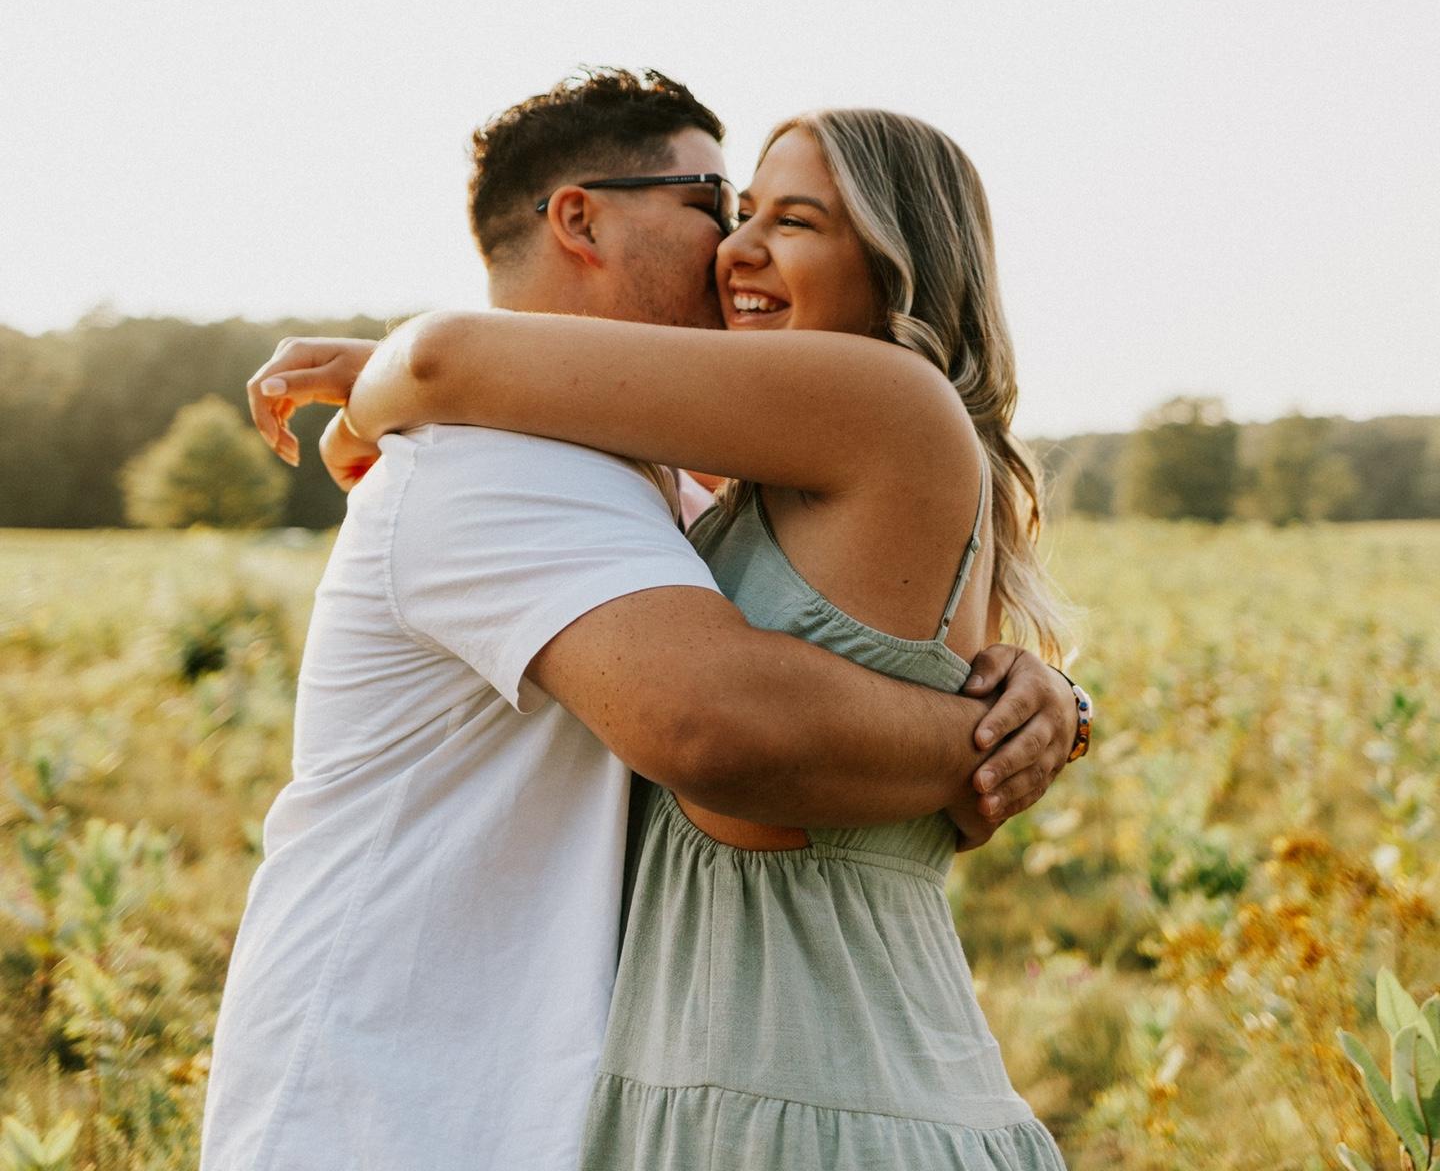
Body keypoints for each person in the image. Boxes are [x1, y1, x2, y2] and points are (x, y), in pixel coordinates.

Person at [217, 70, 1082, 1171]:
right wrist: (1009, 733)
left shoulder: (700, 475)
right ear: (579, 216)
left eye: (779, 218)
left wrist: (387, 379)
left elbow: (444, 358)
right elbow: (727, 730)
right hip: (411, 1106)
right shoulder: (509, 465)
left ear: (891, 263)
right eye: (720, 208)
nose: (735, 248)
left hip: (791, 1084)